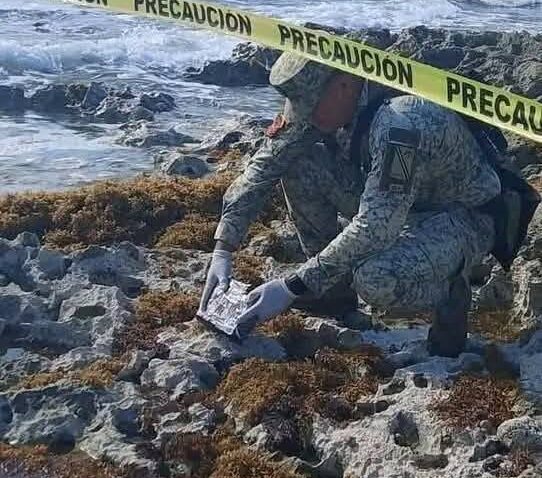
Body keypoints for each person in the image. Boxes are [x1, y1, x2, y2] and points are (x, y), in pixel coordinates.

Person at [198, 51, 504, 357]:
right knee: (300, 161)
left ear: (344, 85)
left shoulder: (402, 124)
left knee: (374, 279)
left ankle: (451, 290)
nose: (306, 117)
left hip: (458, 216)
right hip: (399, 200)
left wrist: (293, 286)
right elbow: (266, 165)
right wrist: (223, 247)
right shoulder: (324, 103)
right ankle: (332, 294)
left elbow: (377, 226)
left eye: (311, 107)